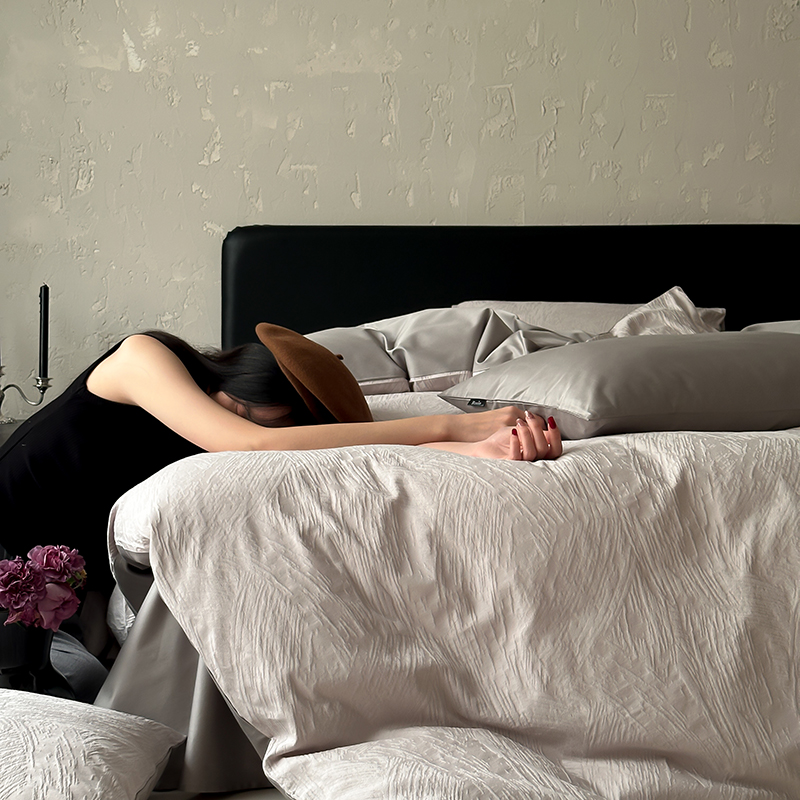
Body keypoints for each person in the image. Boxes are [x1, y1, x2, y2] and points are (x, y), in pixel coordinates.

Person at [0, 323, 561, 696]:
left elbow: (326, 458)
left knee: (80, 692)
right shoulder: (143, 356)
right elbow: (252, 444)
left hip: (55, 604)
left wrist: (475, 453)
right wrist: (453, 425)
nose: (258, 430)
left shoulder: (228, 448)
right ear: (239, 381)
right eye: (247, 412)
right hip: (7, 555)